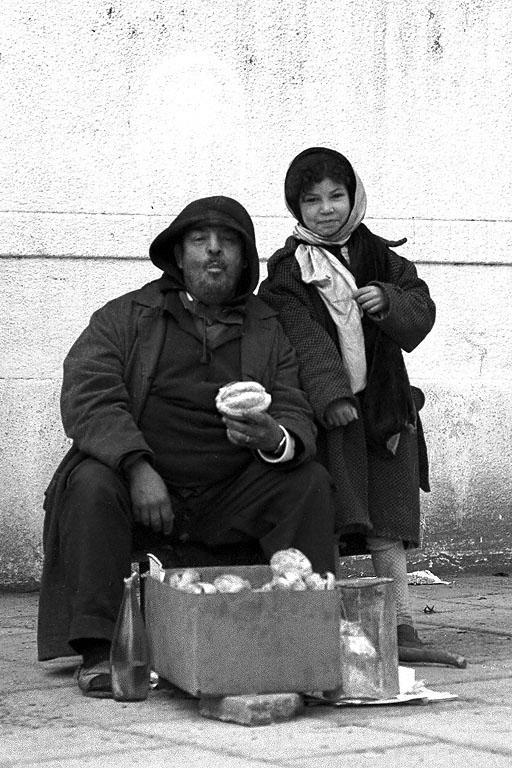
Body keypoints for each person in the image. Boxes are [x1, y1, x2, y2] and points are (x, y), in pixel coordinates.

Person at [37, 195, 337, 697]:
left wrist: (276, 438)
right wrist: (136, 467)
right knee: (89, 480)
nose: (213, 252)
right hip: (142, 491)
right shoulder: (126, 316)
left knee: (307, 481)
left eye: (227, 243)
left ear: (245, 259)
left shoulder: (267, 326)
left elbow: (292, 404)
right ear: (179, 255)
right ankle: (100, 650)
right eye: (200, 241)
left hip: (229, 493)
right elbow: (89, 395)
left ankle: (301, 634)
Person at [259, 147, 436, 658]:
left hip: (385, 410)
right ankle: (325, 626)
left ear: (354, 197)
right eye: (311, 200)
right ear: (296, 207)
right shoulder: (289, 268)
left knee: (390, 521)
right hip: (334, 415)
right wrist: (332, 394)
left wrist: (388, 298)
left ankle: (402, 627)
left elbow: (420, 307)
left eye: (337, 195)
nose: (326, 208)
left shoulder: (382, 255)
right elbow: (301, 334)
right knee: (333, 514)